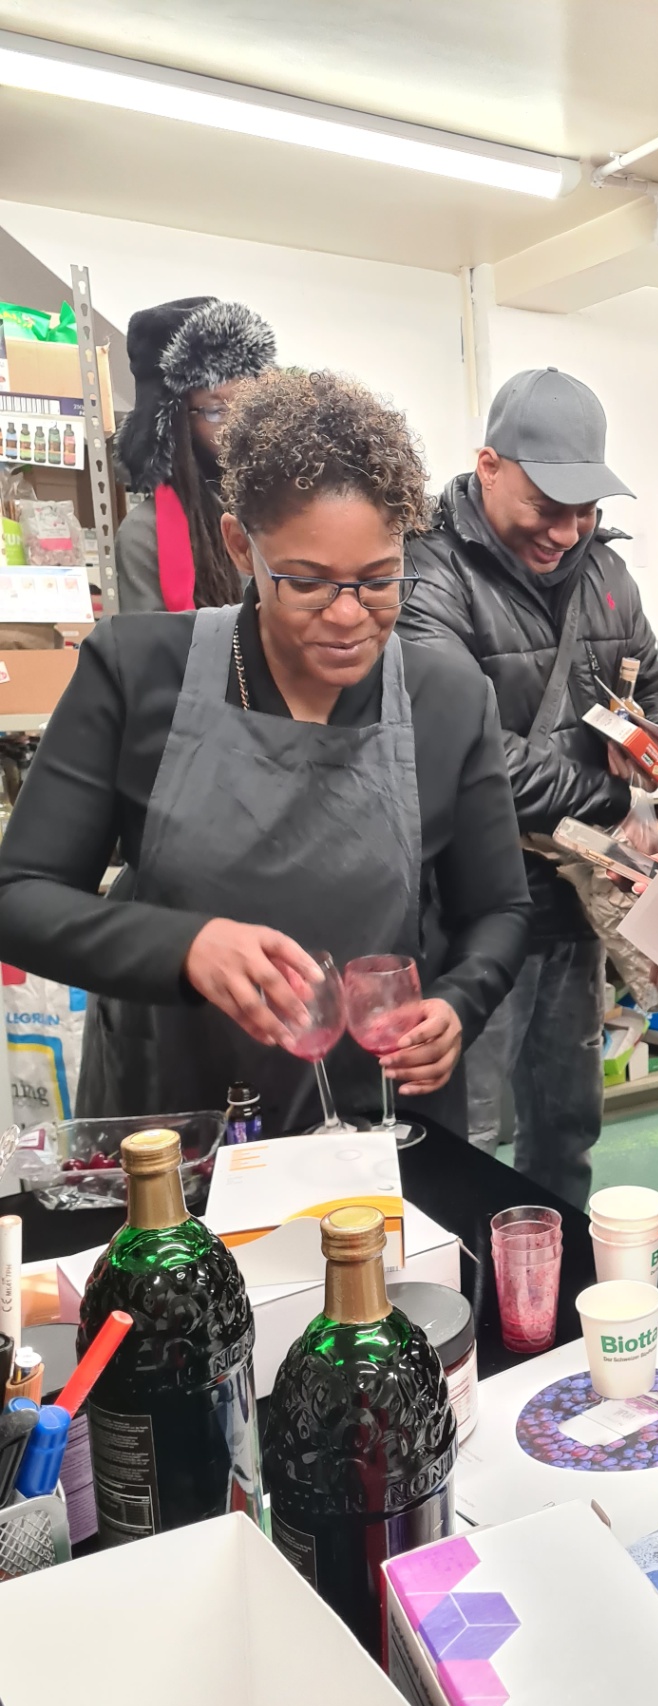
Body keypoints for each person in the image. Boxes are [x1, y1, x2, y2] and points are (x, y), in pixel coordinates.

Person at [0, 369, 529, 1134]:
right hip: (181, 1124)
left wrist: (458, 1003)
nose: (348, 616)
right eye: (307, 583)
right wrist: (186, 946)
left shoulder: (446, 698)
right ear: (239, 546)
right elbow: (19, 897)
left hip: (375, 1120)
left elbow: (498, 909)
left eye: (379, 581)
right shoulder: (138, 671)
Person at [402, 367, 658, 1205]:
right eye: (546, 506)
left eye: (585, 509)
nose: (565, 532)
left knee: (567, 1124)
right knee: (467, 1131)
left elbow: (654, 680)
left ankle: (554, 1271)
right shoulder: (427, 578)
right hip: (468, 906)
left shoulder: (608, 574)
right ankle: (465, 1275)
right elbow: (470, 753)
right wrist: (612, 801)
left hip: (573, 899)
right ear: (488, 467)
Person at [114, 297, 276, 613]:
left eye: (248, 401)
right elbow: (154, 643)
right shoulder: (145, 535)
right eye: (216, 410)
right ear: (177, 423)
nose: (240, 422)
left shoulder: (291, 504)